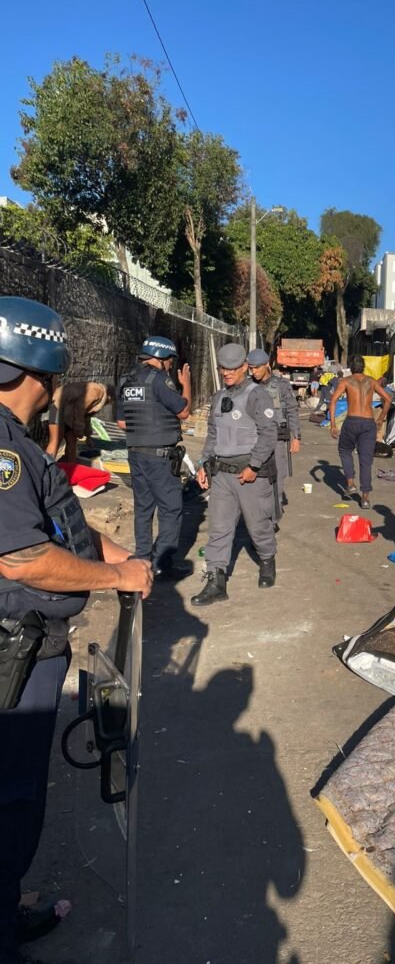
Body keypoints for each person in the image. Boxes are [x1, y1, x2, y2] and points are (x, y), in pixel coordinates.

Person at [0, 296, 153, 964]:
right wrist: (115, 577)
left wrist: (115, 555)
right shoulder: (4, 452)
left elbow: (55, 520)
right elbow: (22, 557)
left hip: (30, 646)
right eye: (53, 377)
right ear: (35, 372)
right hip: (15, 651)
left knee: (17, 798)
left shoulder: (21, 446)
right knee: (10, 801)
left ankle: (6, 907)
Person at [190, 343, 278, 606]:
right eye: (223, 368)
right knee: (219, 529)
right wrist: (203, 464)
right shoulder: (218, 397)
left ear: (244, 367)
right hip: (222, 475)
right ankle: (216, 582)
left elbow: (268, 434)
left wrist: (254, 466)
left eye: (232, 368)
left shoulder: (257, 396)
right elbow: (212, 436)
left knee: (258, 525)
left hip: (250, 475)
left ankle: (267, 559)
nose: (226, 373)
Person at [116, 336, 192, 577]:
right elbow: (184, 411)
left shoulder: (126, 381)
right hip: (159, 457)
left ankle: (142, 559)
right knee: (170, 508)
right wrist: (186, 384)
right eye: (170, 361)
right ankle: (162, 565)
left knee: (143, 508)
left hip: (135, 454)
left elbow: (121, 423)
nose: (170, 366)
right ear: (162, 358)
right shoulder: (159, 379)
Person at [330, 355, 392, 509]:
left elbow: (333, 400)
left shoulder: (346, 381)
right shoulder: (371, 381)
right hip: (368, 423)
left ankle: (350, 483)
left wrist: (333, 424)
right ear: (363, 367)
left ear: (351, 367)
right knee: (366, 460)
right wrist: (380, 419)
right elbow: (388, 399)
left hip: (352, 421)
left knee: (345, 450)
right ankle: (365, 498)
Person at [247, 349, 300, 504]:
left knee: (278, 473)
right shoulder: (248, 386)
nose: (254, 372)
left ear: (267, 365)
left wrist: (296, 436)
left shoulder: (281, 385)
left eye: (257, 368)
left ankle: (275, 507)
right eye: (251, 368)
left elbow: (292, 409)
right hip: (253, 437)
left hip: (277, 437)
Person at [45, 380, 111, 463]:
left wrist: (88, 436)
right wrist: (79, 430)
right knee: (56, 440)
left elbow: (86, 416)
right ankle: (46, 466)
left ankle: (70, 465)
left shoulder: (98, 394)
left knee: (72, 440)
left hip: (68, 410)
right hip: (57, 405)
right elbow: (80, 408)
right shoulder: (96, 391)